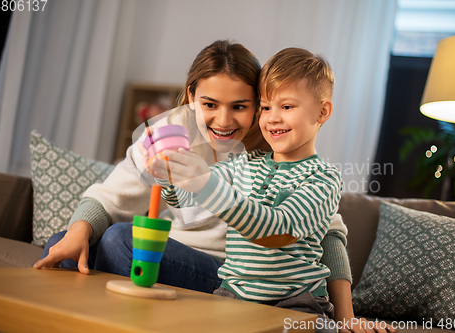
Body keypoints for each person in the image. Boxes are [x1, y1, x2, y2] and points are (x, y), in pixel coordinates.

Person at [33, 40, 352, 299]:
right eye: (210, 104)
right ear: (191, 96)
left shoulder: (276, 143)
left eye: (240, 106)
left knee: (119, 240)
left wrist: (344, 314)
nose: (224, 121)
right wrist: (78, 231)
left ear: (255, 103)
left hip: (231, 272)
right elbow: (120, 196)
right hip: (166, 250)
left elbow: (323, 229)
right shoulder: (169, 133)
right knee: (64, 244)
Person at [147, 47, 394, 333]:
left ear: (323, 111)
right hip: (233, 295)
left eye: (286, 107)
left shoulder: (323, 179)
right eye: (265, 107)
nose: (272, 118)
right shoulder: (243, 163)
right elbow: (186, 200)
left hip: (296, 303)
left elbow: (276, 231)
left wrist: (205, 183)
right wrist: (169, 176)